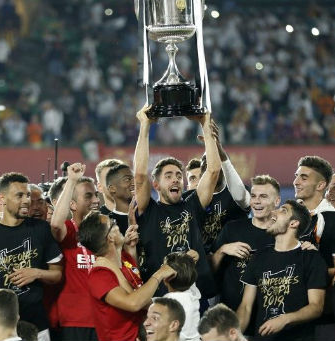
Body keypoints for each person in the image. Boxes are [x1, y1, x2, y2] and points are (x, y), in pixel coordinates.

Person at [133, 106, 220, 299]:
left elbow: (213, 171)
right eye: (169, 175)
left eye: (179, 176)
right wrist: (145, 126)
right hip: (161, 295)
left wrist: (204, 122)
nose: (175, 180)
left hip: (197, 295)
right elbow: (139, 175)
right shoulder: (149, 210)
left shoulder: (192, 204)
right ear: (155, 184)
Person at [0, 172, 63, 341]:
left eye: (28, 195)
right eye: (19, 195)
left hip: (36, 323)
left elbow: (57, 274)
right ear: (2, 199)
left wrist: (37, 273)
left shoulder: (41, 229)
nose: (27, 200)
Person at [77, 211, 176, 341]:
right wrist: (159, 274)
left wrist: (130, 249)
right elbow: (133, 303)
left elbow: (139, 293)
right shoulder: (100, 276)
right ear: (110, 237)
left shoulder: (125, 260)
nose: (117, 225)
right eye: (113, 224)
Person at [236, 200, 327, 340]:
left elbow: (316, 307)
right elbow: (246, 306)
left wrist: (285, 319)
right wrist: (233, 334)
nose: (274, 212)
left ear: (294, 223)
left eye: (283, 210)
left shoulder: (312, 258)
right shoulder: (259, 257)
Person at [48, 163, 105, 340]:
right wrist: (72, 181)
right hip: (74, 321)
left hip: (104, 318)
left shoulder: (107, 232)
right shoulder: (69, 230)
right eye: (88, 196)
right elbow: (56, 224)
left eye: (96, 195)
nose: (96, 200)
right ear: (72, 204)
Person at [211, 175, 278, 312]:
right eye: (253, 196)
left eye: (263, 196)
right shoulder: (232, 229)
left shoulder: (284, 233)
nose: (257, 201)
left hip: (268, 316)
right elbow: (209, 270)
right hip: (230, 315)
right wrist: (222, 250)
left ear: (277, 201)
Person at [197, 120, 251, 256]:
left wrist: (222, 154)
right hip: (204, 263)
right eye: (206, 164)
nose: (211, 167)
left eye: (215, 163)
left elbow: (241, 197)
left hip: (233, 261)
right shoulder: (192, 198)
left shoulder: (236, 193)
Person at [293, 155, 335, 276]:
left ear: (320, 186)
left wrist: (302, 272)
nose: (296, 182)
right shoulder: (288, 216)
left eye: (303, 178)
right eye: (296, 176)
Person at [163, 252, 200, 341]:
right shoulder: (194, 293)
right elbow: (189, 275)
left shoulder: (168, 302)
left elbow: (140, 304)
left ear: (166, 278)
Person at [104, 163, 135, 235]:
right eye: (127, 179)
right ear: (112, 188)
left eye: (134, 179)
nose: (134, 183)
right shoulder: (107, 224)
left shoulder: (149, 216)